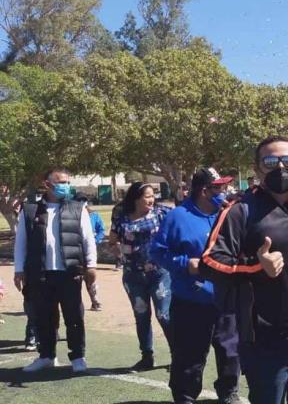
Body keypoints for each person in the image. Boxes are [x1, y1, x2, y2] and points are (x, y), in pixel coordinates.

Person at [201, 137, 288, 404]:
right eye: (271, 162)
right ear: (257, 170)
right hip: (266, 340)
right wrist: (256, 266)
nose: (281, 167)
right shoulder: (240, 210)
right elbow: (209, 262)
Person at [150, 168, 240, 404]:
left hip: (226, 298)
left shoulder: (228, 215)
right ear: (204, 191)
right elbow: (157, 252)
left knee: (230, 352)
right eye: (219, 187)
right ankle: (185, 396)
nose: (224, 192)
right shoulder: (177, 217)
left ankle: (229, 393)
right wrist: (184, 263)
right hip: (191, 300)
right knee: (189, 356)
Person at [13, 168, 97, 373]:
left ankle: (78, 357)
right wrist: (18, 269)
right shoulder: (31, 210)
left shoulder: (78, 208)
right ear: (47, 184)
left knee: (74, 317)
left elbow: (88, 239)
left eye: (67, 182)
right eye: (61, 182)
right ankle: (46, 356)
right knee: (44, 317)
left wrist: (91, 265)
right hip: (40, 274)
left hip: (69, 273)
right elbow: (21, 242)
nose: (65, 186)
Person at [110, 182, 173, 371]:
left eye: (153, 195)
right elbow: (113, 241)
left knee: (164, 314)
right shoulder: (121, 216)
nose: (151, 199)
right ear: (136, 198)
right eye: (147, 196)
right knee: (141, 315)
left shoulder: (162, 213)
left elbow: (176, 232)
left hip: (159, 273)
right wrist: (117, 250)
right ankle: (147, 356)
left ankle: (177, 355)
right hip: (133, 276)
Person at [74, 193, 105, 312]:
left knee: (90, 278)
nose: (82, 202)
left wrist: (95, 241)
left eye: (84, 200)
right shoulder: (72, 215)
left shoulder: (94, 215)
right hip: (76, 250)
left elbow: (101, 230)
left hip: (89, 250)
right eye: (79, 200)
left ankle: (95, 301)